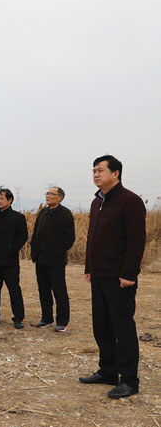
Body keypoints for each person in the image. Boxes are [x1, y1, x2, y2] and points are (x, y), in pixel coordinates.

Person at [79, 155, 146, 399]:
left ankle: (129, 380)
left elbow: (136, 240)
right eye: (93, 170)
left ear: (115, 173)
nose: (95, 174)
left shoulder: (130, 201)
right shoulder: (97, 202)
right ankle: (108, 371)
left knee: (122, 328)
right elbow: (92, 236)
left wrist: (129, 273)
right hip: (99, 275)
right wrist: (89, 266)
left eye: (100, 170)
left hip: (119, 278)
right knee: (102, 326)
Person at [30, 186, 75, 332]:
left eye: (51, 194)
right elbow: (36, 232)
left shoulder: (65, 214)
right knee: (43, 290)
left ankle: (62, 321)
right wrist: (34, 249)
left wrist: (56, 250)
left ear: (60, 197)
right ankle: (46, 318)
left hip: (56, 260)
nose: (48, 196)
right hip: (40, 259)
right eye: (47, 193)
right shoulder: (43, 212)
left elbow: (69, 238)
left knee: (59, 291)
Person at [0, 188, 28, 329]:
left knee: (14, 289)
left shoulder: (18, 217)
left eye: (2, 198)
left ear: (10, 200)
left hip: (10, 261)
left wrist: (12, 249)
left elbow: (23, 236)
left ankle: (18, 318)